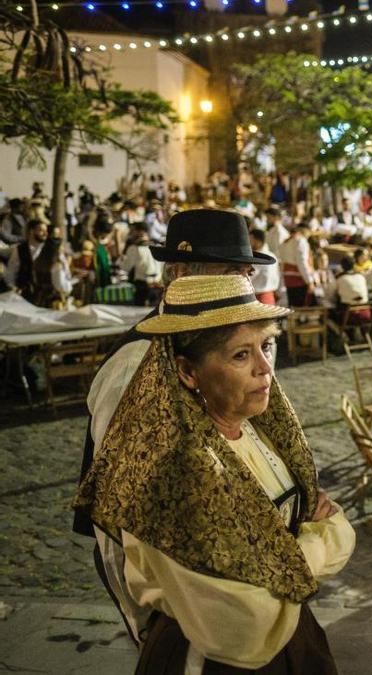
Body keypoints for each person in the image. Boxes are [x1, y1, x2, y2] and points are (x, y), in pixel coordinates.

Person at [74, 275, 355, 671]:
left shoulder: (258, 434)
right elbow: (243, 621)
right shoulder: (173, 471)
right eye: (240, 355)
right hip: (215, 659)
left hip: (292, 638)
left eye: (266, 346)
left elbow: (340, 529)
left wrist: (276, 565)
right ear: (187, 371)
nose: (265, 369)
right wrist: (318, 542)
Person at [5, 217, 48, 298]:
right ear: (32, 231)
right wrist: (13, 288)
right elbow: (11, 271)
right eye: (41, 230)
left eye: (46, 231)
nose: (45, 233)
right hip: (25, 294)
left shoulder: (48, 249)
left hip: (44, 295)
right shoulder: (20, 250)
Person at [278, 222, 315, 307]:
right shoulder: (301, 241)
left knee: (293, 305)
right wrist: (309, 281)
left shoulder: (287, 241)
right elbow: (302, 262)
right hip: (299, 278)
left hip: (288, 278)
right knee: (301, 307)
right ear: (306, 231)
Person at [249, 229, 280, 306]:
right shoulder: (272, 255)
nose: (249, 243)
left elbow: (249, 278)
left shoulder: (258, 258)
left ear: (258, 241)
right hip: (269, 297)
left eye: (251, 240)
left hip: (260, 298)